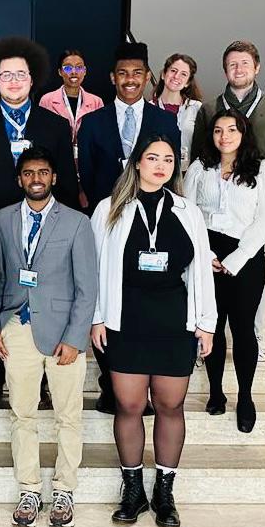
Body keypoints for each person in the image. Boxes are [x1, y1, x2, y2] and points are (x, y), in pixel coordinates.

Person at [90, 134, 216, 527]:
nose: (161, 166)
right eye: (152, 158)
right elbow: (94, 268)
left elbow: (200, 270)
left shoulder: (187, 211)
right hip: (125, 321)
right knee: (128, 406)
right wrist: (96, 317)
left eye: (168, 159)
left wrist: (206, 323)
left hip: (174, 322)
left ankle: (164, 491)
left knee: (169, 406)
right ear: (137, 163)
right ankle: (133, 491)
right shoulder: (109, 208)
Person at [0, 37, 78, 404]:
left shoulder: (54, 125)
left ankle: (40, 378)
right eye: (6, 75)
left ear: (33, 79)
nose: (13, 81)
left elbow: (67, 185)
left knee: (37, 297)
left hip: (42, 230)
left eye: (20, 75)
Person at [0, 146, 97, 527]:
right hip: (16, 327)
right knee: (22, 413)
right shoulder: (1, 220)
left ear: (54, 177)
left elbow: (87, 287)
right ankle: (29, 489)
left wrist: (76, 337)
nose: (36, 179)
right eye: (29, 173)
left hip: (64, 332)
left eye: (43, 172)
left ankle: (65, 490)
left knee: (68, 415)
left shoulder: (76, 223)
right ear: (20, 179)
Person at [78, 41, 180, 414]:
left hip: (152, 226)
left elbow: (171, 174)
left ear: (148, 77)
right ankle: (111, 383)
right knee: (107, 298)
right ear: (112, 78)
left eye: (137, 73)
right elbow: (88, 176)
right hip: (109, 223)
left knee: (143, 303)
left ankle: (143, 382)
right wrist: (108, 214)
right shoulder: (93, 122)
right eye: (123, 73)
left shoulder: (165, 122)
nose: (130, 79)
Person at [191, 40, 265, 361]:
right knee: (206, 277)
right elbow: (199, 155)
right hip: (218, 205)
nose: (239, 69)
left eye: (245, 63)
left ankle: (253, 336)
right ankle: (205, 337)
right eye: (232, 64)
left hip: (257, 202)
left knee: (253, 271)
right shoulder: (210, 108)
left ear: (257, 67)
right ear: (225, 70)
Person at [184, 110, 265, 433]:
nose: (224, 136)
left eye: (231, 130)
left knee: (242, 329)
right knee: (211, 324)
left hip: (246, 255)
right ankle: (215, 391)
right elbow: (188, 212)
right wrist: (206, 254)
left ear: (244, 133)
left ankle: (246, 397)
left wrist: (237, 258)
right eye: (217, 130)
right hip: (207, 252)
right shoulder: (200, 167)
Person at [39, 49, 104, 208]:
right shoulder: (47, 100)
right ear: (60, 72)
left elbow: (100, 140)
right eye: (68, 68)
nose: (74, 72)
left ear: (85, 71)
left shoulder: (96, 102)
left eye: (79, 67)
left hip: (87, 166)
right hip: (59, 167)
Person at [150, 53, 203, 171]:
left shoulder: (197, 108)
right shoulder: (148, 108)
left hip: (187, 172)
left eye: (183, 74)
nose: (176, 76)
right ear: (163, 74)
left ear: (188, 82)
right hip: (157, 171)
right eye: (173, 70)